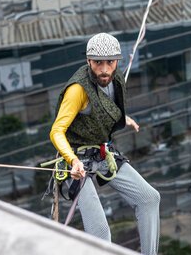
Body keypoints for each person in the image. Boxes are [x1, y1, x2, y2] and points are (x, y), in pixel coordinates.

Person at [49, 32, 160, 255]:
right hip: (77, 164)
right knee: (100, 233)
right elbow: (57, 130)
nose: (104, 69)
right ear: (88, 61)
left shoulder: (115, 79)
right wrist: (72, 161)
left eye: (110, 62)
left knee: (149, 198)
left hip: (102, 153)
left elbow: (103, 110)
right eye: (98, 63)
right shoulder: (78, 90)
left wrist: (122, 118)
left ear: (118, 61)